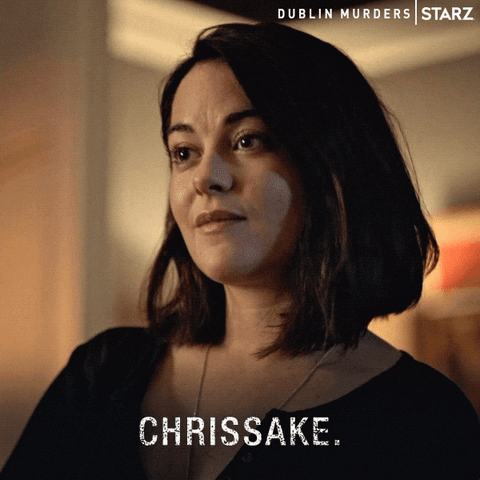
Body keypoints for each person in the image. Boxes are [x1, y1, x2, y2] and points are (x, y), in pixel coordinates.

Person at [2, 22, 479, 480]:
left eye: (247, 141)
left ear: (334, 166)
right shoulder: (102, 374)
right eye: (184, 152)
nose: (206, 177)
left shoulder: (421, 418)